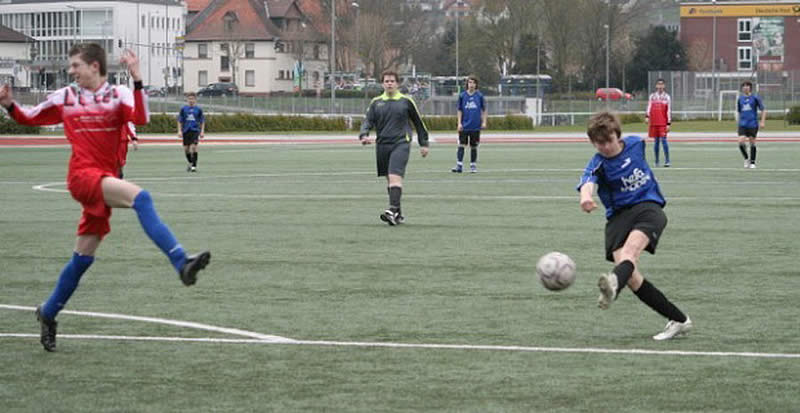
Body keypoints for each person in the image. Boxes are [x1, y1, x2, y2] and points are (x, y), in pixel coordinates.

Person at [0, 43, 211, 352]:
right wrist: (8, 105)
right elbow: (29, 117)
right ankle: (181, 262)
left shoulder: (119, 95)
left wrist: (137, 78)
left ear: (94, 66)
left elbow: (141, 118)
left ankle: (48, 312)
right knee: (142, 198)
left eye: (76, 65)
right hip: (82, 177)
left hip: (104, 177)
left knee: (82, 259)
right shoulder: (65, 97)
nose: (71, 71)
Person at [576, 111, 691, 341]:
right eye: (599, 143)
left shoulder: (636, 143)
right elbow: (587, 182)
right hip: (618, 219)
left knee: (630, 255)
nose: (605, 147)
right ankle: (679, 319)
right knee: (632, 277)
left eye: (608, 140)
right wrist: (585, 198)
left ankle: (612, 284)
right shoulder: (598, 163)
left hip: (648, 208)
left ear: (618, 136)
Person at [359, 70, 430, 225]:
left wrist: (424, 143)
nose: (389, 83)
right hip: (382, 145)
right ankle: (398, 214)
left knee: (394, 176)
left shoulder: (406, 101)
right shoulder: (376, 102)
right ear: (382, 84)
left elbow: (418, 123)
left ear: (397, 84)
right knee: (390, 180)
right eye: (386, 81)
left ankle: (392, 210)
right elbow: (368, 121)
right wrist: (364, 135)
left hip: (401, 143)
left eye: (392, 81)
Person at [451, 75, 487, 173]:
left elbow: (484, 110)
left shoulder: (479, 96)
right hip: (464, 125)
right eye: (470, 82)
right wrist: (459, 123)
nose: (471, 84)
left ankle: (473, 166)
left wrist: (484, 122)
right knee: (461, 145)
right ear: (467, 84)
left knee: (474, 146)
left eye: (473, 83)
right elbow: (459, 110)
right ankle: (459, 165)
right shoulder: (462, 96)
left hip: (475, 126)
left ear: (476, 85)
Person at [736, 81, 766, 169]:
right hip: (742, 124)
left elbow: (763, 110)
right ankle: (746, 158)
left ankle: (753, 162)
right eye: (744, 86)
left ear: (750, 88)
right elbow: (739, 111)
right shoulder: (740, 99)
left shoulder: (755, 98)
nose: (745, 87)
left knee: (752, 142)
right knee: (741, 141)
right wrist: (738, 122)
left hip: (753, 124)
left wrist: (762, 121)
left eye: (747, 86)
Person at [645, 78, 671, 167]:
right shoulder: (652, 96)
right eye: (659, 84)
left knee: (664, 141)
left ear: (664, 86)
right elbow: (649, 107)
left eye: (662, 84)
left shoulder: (667, 97)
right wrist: (647, 116)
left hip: (663, 123)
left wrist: (668, 123)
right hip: (654, 122)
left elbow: (668, 110)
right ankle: (656, 161)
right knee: (656, 142)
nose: (660, 86)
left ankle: (667, 160)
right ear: (656, 86)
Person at [177, 92, 204, 172]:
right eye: (189, 99)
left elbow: (202, 121)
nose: (191, 100)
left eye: (192, 99)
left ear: (195, 100)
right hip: (186, 130)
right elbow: (180, 120)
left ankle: (194, 166)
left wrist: (202, 131)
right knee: (186, 149)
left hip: (195, 130)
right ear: (187, 100)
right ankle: (190, 162)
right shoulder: (183, 109)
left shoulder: (198, 109)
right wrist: (179, 131)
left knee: (194, 147)